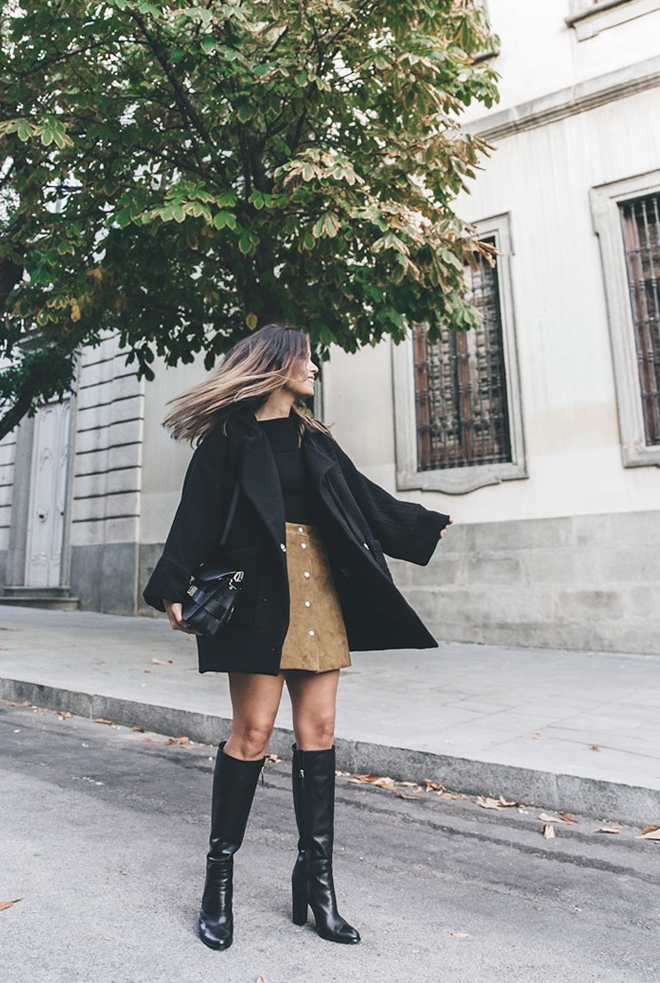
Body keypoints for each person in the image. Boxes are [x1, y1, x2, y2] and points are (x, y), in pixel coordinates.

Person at [143, 324, 451, 951]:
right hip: (256, 595)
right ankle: (218, 881)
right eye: (307, 359)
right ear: (277, 365)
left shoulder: (315, 439)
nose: (315, 368)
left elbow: (361, 500)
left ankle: (317, 885)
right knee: (251, 734)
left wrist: (420, 526)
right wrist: (172, 584)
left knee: (321, 734)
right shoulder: (229, 438)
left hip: (318, 595)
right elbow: (195, 513)